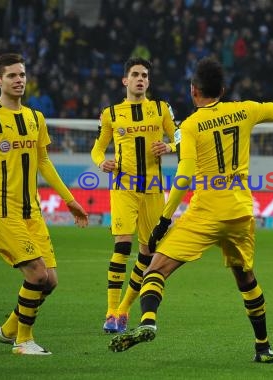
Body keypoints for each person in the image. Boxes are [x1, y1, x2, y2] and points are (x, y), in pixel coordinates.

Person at [108, 57, 273, 363]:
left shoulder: (189, 126)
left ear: (193, 91)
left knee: (155, 270)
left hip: (205, 212)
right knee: (246, 278)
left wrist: (164, 220)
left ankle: (147, 321)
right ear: (223, 89)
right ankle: (263, 346)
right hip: (240, 212)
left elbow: (185, 176)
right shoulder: (244, 110)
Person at [0, 53, 89, 355]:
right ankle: (23, 341)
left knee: (50, 281)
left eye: (22, 75)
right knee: (37, 275)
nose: (19, 80)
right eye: (12, 76)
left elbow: (44, 163)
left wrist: (70, 200)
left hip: (32, 211)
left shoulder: (35, 118)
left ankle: (8, 329)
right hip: (3, 209)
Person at [90, 57, 177, 334]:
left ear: (148, 82)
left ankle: (125, 309)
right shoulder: (111, 114)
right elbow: (97, 149)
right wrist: (100, 163)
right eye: (136, 75)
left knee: (148, 252)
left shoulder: (161, 109)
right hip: (123, 187)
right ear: (125, 80)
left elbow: (179, 137)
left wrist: (169, 147)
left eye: (145, 75)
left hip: (153, 190)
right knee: (121, 245)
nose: (141, 79)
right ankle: (110, 311)